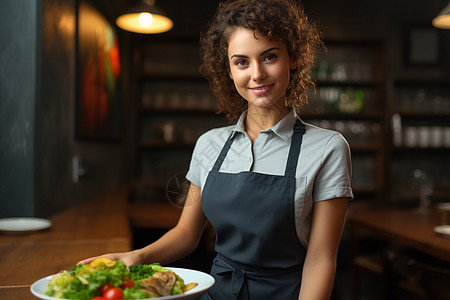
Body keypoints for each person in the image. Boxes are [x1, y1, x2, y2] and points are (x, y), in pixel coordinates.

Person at [79, 0, 353, 299]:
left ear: (293, 58)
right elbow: (186, 234)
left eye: (270, 57)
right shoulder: (209, 144)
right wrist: (137, 256)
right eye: (241, 62)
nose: (257, 73)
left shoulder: (328, 148)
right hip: (216, 292)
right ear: (229, 70)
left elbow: (321, 259)